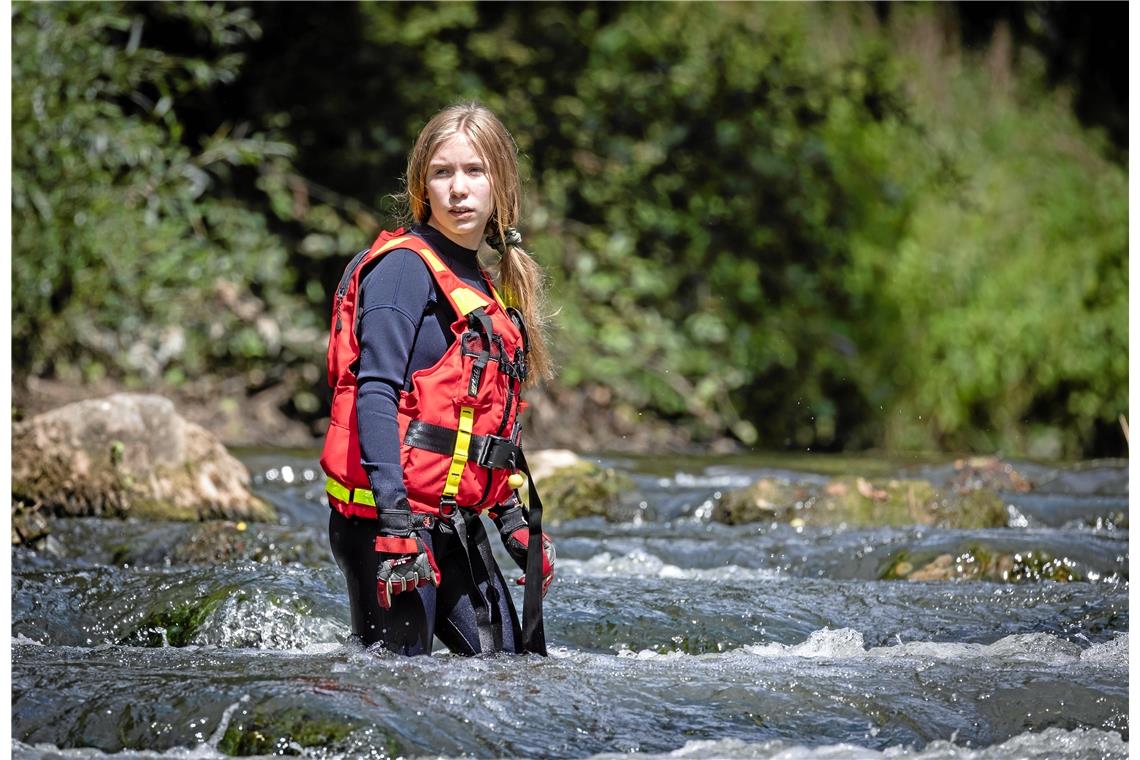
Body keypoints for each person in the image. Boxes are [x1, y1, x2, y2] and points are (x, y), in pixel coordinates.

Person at [320, 103, 556, 657]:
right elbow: (375, 395)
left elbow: (478, 422)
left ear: (501, 182)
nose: (459, 188)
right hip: (389, 526)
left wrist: (510, 519)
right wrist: (397, 528)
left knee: (517, 670)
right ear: (422, 185)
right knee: (400, 689)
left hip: (451, 522)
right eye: (442, 173)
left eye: (475, 171)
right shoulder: (404, 270)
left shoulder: (484, 283)